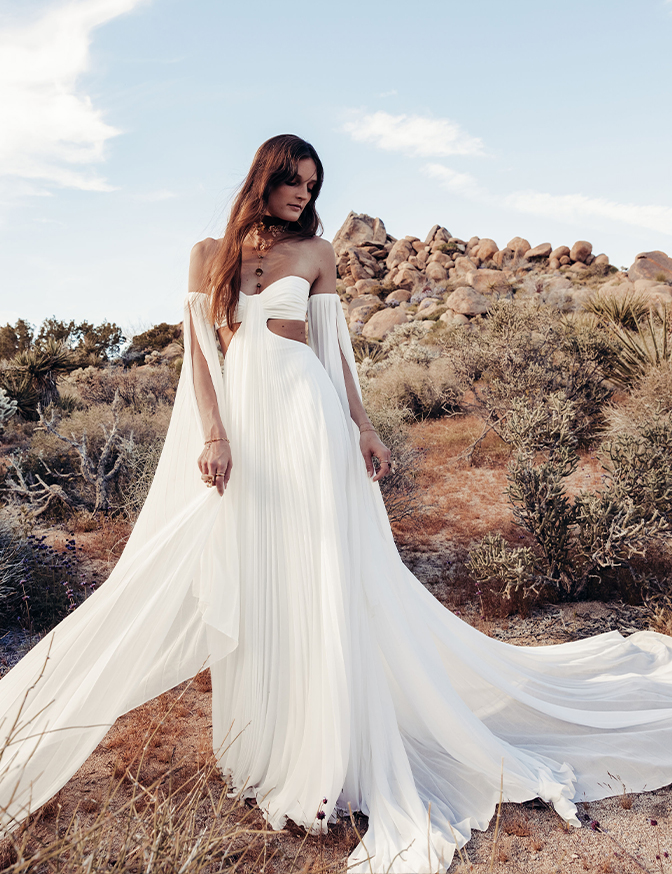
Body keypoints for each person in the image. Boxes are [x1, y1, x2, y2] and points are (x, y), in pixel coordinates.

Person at [1, 134, 672, 874]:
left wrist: (365, 426)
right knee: (262, 578)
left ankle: (329, 757)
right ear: (267, 175)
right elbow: (201, 354)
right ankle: (268, 738)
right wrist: (215, 434)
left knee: (320, 572)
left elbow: (335, 353)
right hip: (246, 429)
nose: (302, 195)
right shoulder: (206, 253)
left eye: (312, 186)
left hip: (308, 419)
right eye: (293, 180)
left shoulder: (317, 253)